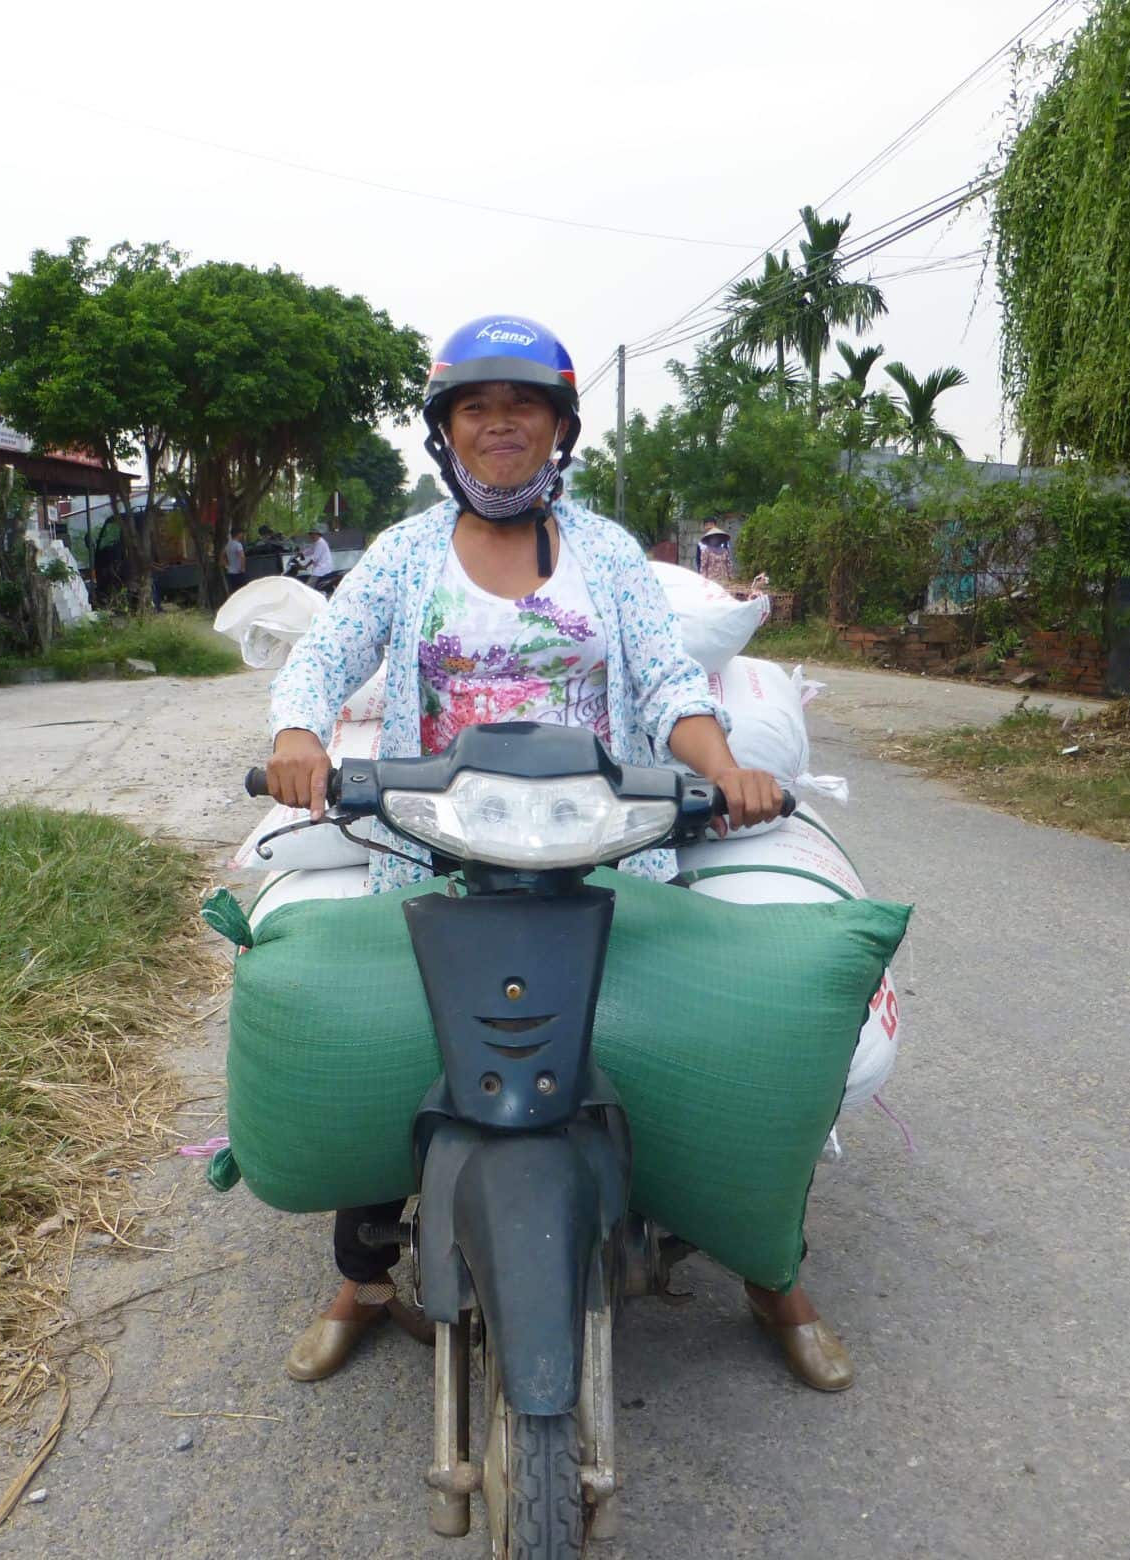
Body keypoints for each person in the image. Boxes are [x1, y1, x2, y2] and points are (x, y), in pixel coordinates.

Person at [262, 313, 853, 1394]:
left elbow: (670, 682)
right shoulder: (399, 555)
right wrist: (298, 733)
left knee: (695, 1048)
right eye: (475, 411)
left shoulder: (609, 554)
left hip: (604, 846)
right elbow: (326, 655)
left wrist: (722, 767)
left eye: (520, 410)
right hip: (439, 848)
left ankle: (772, 1273)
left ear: (558, 431)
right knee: (396, 1046)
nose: (499, 429)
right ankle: (363, 1274)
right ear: (444, 433)